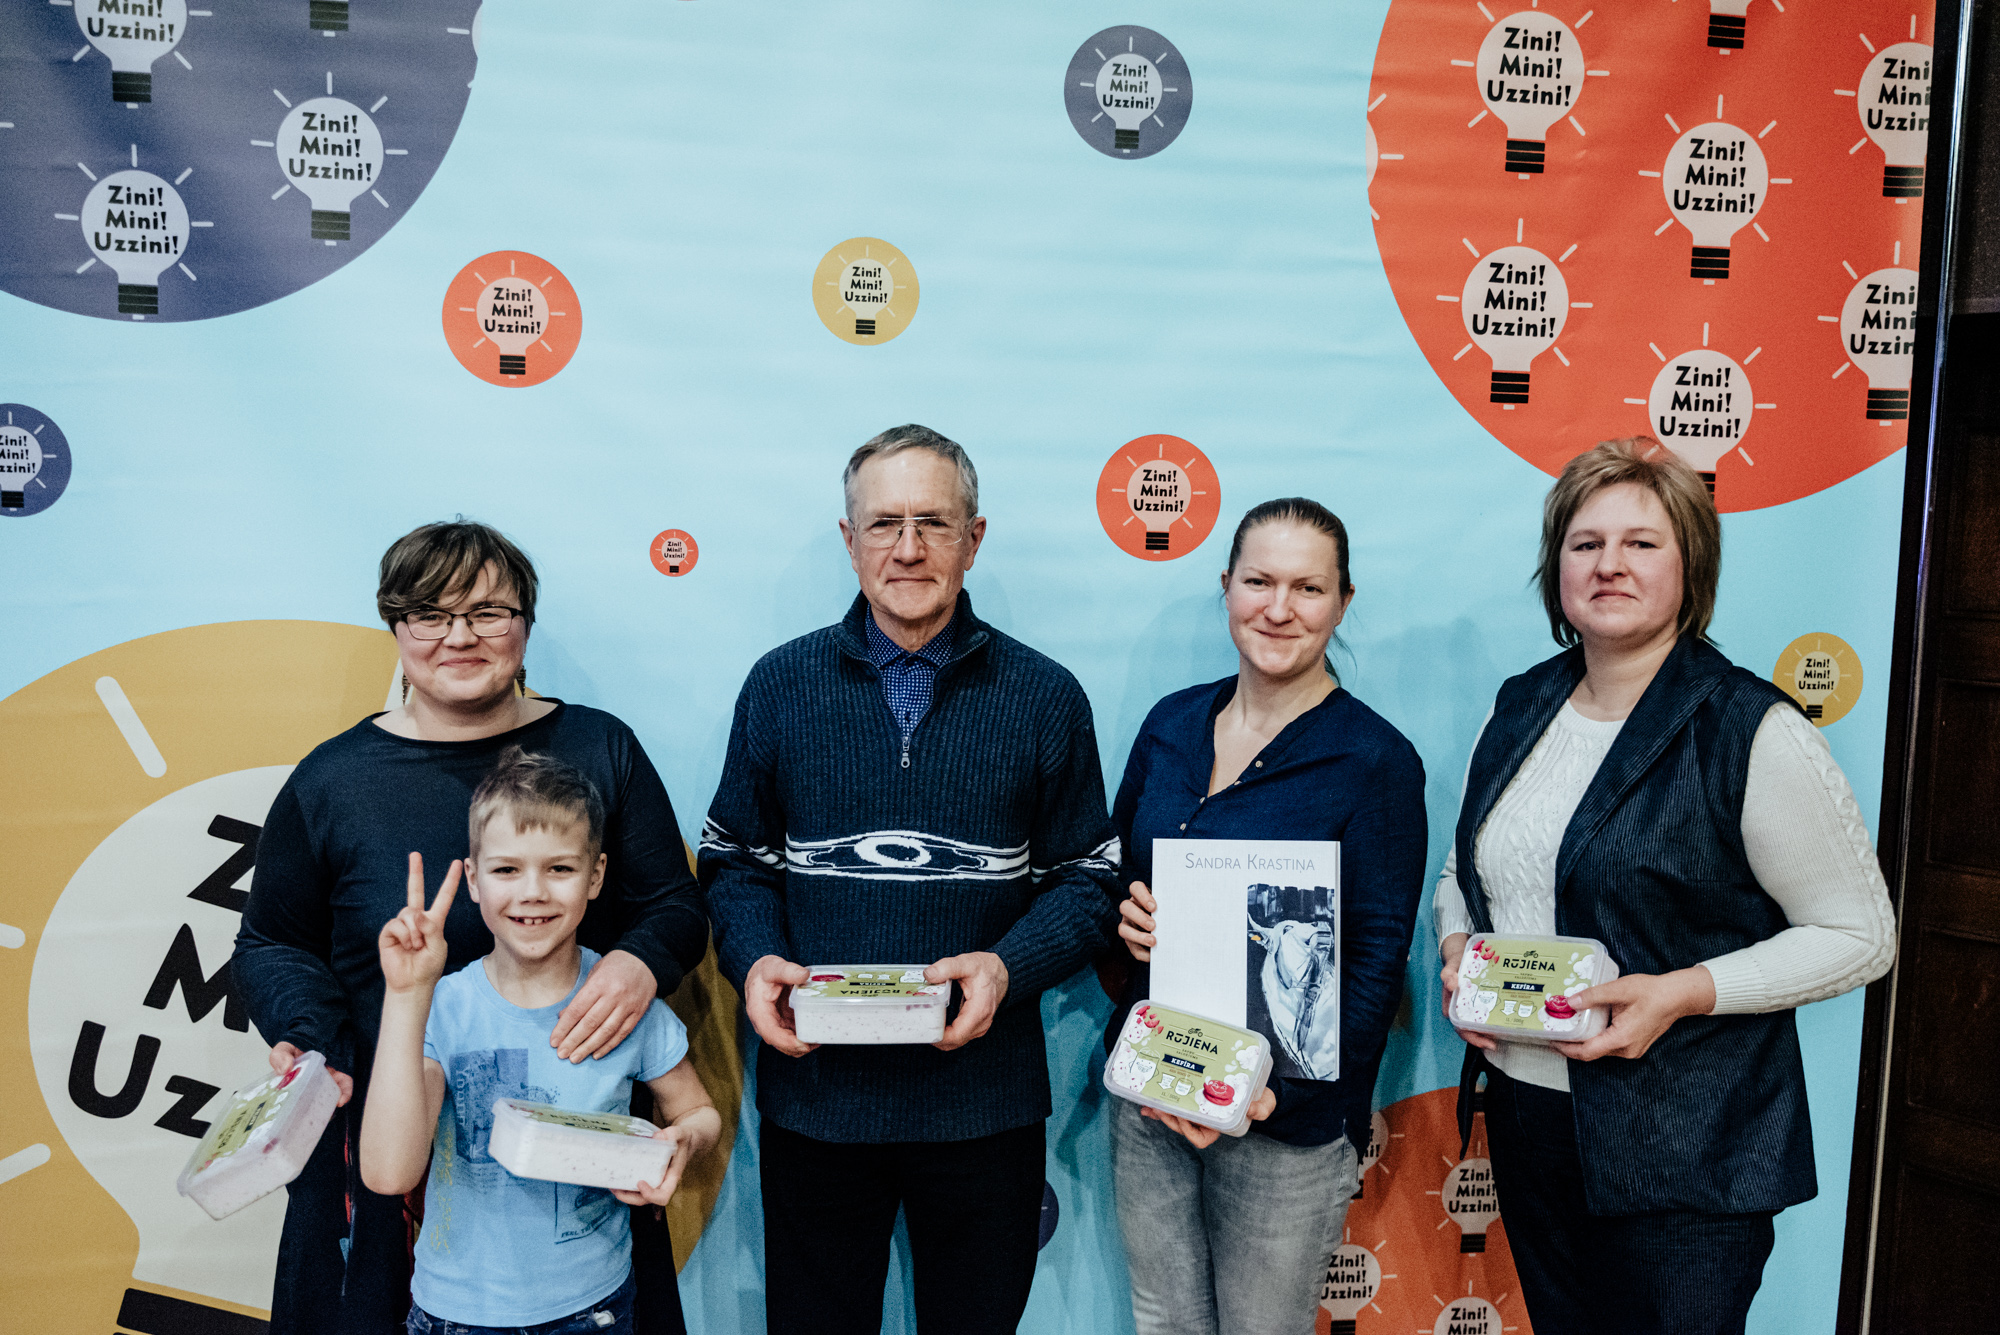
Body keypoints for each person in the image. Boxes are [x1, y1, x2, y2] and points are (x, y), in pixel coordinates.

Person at [1434, 438, 1896, 1335]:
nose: (1609, 563)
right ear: (1557, 567)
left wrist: (1682, 992)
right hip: (1530, 1119)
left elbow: (1859, 934)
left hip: (1688, 1144)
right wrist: (1460, 952)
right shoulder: (1519, 704)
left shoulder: (1749, 729)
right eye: (1586, 542)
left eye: (1641, 543)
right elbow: (1466, 869)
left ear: (1692, 566)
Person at [234, 520, 710, 1335]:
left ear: (525, 624)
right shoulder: (332, 779)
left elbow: (675, 904)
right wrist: (313, 1035)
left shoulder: (600, 747)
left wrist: (638, 963)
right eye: (429, 613)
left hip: (575, 1175)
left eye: (488, 612)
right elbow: (271, 942)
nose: (459, 636)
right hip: (388, 1130)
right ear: (396, 626)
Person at [699, 424, 1122, 1335]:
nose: (908, 547)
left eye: (933, 522)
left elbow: (1090, 880)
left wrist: (1007, 967)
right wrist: (757, 958)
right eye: (883, 523)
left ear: (974, 538)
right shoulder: (779, 686)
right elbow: (733, 860)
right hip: (819, 1103)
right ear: (849, 540)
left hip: (983, 1107)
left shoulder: (1046, 696)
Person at [1108, 498, 1429, 1335]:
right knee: (1164, 1322)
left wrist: (1269, 1098)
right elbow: (1113, 874)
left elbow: (1375, 962)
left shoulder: (1375, 761)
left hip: (1283, 1125)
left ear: (1342, 602)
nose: (1278, 608)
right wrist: (1125, 919)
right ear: (1226, 587)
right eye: (1259, 582)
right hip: (1154, 1089)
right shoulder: (1172, 724)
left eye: (1308, 588)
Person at [360, 748, 720, 1335]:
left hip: (596, 1308)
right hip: (454, 1312)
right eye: (506, 870)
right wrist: (406, 995)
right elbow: (389, 1173)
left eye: (560, 869)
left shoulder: (622, 1002)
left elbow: (698, 1112)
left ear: (595, 876)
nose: (533, 892)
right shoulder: (442, 1007)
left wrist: (683, 1143)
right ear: (473, 879)